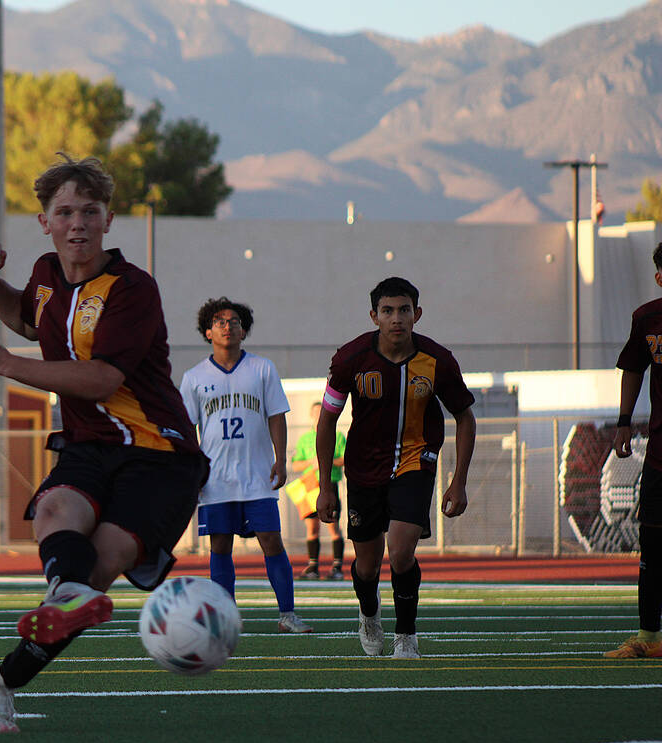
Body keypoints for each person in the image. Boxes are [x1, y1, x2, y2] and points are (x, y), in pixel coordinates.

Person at [0, 154, 209, 732]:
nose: (77, 223)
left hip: (159, 452)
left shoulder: (132, 289)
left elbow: (101, 379)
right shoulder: (46, 274)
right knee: (54, 512)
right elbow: (29, 319)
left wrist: (6, 366)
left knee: (101, 566)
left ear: (109, 219)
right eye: (64, 211)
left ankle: (1, 681)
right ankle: (60, 601)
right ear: (43, 221)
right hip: (89, 443)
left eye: (89, 211)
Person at [315, 276, 475, 659]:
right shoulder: (349, 359)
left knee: (401, 553)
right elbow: (326, 421)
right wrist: (325, 485)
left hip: (415, 461)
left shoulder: (438, 361)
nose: (397, 318)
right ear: (374, 316)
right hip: (363, 469)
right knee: (367, 567)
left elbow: (465, 418)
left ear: (417, 314)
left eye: (404, 310)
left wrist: (459, 482)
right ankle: (369, 614)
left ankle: (407, 635)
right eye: (388, 311)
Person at [179, 297, 311, 633]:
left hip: (256, 474)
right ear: (208, 331)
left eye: (235, 321)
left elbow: (276, 416)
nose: (228, 326)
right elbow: (186, 428)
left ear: (244, 330)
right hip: (216, 477)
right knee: (220, 544)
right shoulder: (194, 377)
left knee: (271, 539)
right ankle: (225, 618)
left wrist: (280, 459)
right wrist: (193, 469)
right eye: (220, 321)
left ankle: (287, 615)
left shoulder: (262, 368)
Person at [604, 241, 662, 659]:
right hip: (661, 453)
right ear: (659, 277)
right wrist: (624, 421)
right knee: (653, 544)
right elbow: (633, 368)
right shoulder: (647, 318)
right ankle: (648, 636)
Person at [291, 401, 347, 580]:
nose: (317, 416)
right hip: (310, 485)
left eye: (320, 412)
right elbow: (296, 463)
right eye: (315, 413)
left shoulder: (337, 436)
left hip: (329, 484)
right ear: (311, 415)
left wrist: (325, 460)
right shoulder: (305, 439)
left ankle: (337, 567)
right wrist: (311, 463)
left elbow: (345, 458)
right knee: (312, 527)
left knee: (333, 526)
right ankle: (312, 567)